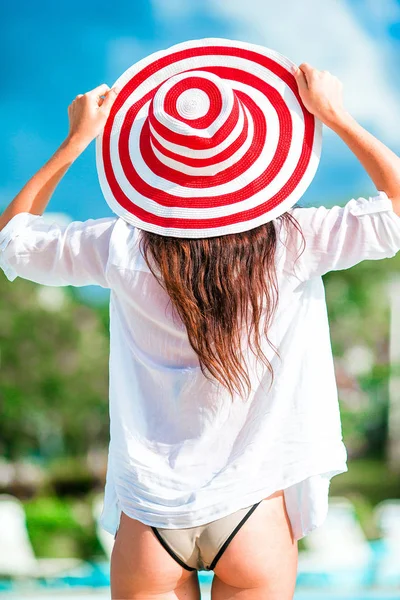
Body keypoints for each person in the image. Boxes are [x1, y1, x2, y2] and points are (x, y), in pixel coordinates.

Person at [1, 39, 400, 600]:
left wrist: (76, 140)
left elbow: (12, 241)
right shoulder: (296, 240)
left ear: (154, 167)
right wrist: (335, 115)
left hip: (150, 512)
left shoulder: (122, 246)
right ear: (254, 159)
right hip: (253, 509)